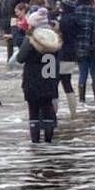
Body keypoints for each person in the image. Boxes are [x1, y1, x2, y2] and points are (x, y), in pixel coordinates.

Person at [14, 13, 61, 143]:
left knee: (33, 112)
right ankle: (48, 143)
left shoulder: (31, 39)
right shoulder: (53, 37)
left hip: (33, 79)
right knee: (48, 110)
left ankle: (36, 145)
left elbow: (20, 58)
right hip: (50, 78)